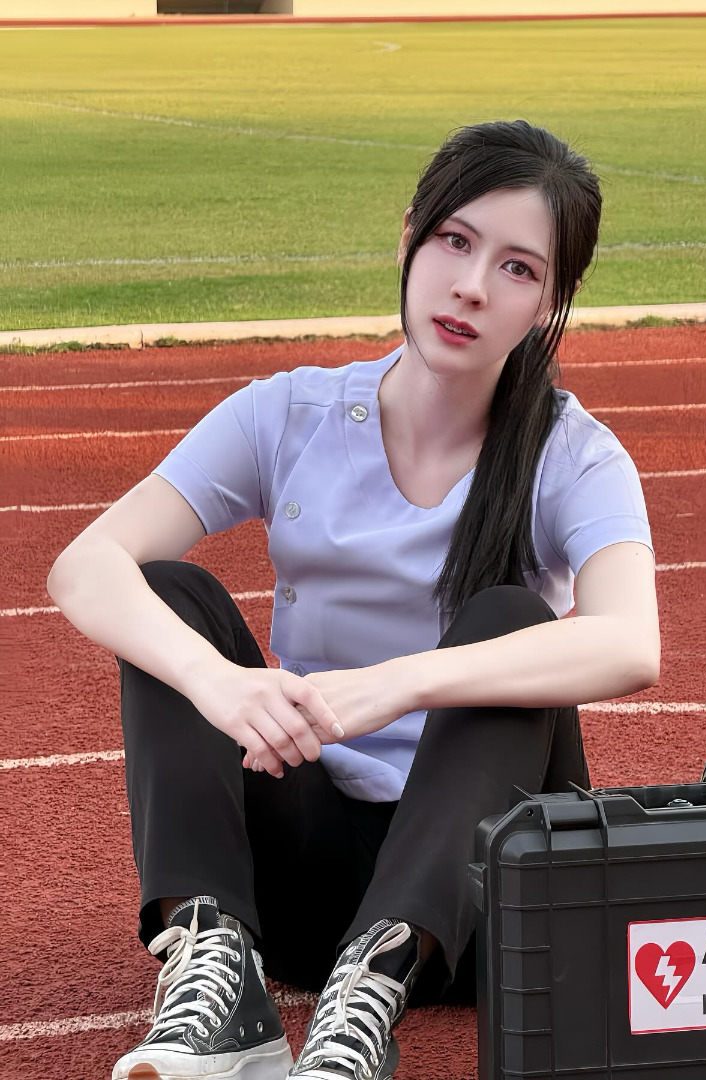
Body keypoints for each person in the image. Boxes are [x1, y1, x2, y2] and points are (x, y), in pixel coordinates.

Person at [47, 119, 660, 1080]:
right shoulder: (289, 413)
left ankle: (365, 1009)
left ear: (550, 302)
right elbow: (84, 566)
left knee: (511, 620)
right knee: (166, 592)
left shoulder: (574, 454)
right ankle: (217, 976)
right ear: (410, 234)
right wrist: (220, 684)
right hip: (308, 886)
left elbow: (630, 642)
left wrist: (397, 685)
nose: (471, 285)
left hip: (480, 899)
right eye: (454, 241)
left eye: (517, 268)